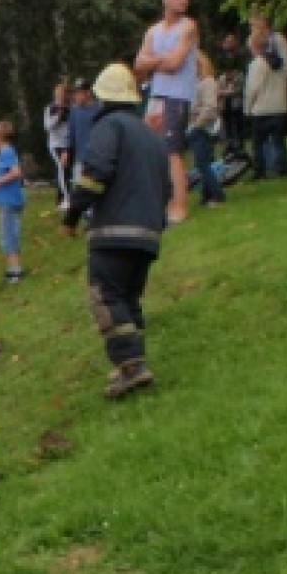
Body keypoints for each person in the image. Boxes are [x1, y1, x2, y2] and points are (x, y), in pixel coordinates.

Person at [60, 64, 172, 400]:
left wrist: (72, 214)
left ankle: (131, 367)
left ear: (102, 97)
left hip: (114, 231)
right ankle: (133, 362)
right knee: (128, 298)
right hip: (148, 233)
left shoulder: (108, 127)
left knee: (106, 296)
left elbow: (95, 175)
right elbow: (164, 186)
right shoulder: (150, 136)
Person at [134, 0, 199, 223]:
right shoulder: (153, 31)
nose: (184, 0)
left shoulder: (188, 27)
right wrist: (162, 60)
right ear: (166, 1)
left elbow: (176, 63)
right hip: (157, 95)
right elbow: (139, 65)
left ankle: (179, 207)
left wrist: (154, 61)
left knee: (173, 151)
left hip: (178, 95)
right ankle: (158, 202)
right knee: (151, 149)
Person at [243, 13, 287, 179]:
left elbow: (252, 88)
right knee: (278, 139)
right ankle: (280, 167)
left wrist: (248, 107)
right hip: (278, 103)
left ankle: (262, 170)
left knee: (259, 142)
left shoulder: (273, 44)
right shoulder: (273, 60)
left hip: (263, 105)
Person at [0, 120, 27, 282]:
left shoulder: (7, 151)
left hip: (10, 200)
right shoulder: (5, 153)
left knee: (9, 234)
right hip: (5, 199)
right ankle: (11, 268)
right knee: (6, 233)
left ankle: (16, 271)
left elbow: (16, 173)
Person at [187, 51, 227, 208]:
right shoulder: (197, 83)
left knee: (202, 162)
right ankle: (207, 193)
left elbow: (210, 107)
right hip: (198, 124)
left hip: (203, 126)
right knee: (204, 162)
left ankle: (217, 194)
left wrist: (197, 124)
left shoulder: (208, 82)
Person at [66, 79, 99, 205]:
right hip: (80, 156)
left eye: (79, 93)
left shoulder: (98, 109)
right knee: (79, 184)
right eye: (75, 93)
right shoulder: (74, 111)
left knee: (93, 185)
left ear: (88, 93)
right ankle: (82, 210)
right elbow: (71, 133)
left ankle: (93, 208)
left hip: (95, 156)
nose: (76, 97)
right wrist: (67, 151)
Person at [43, 82, 74, 201]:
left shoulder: (72, 108)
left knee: (67, 170)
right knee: (62, 168)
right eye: (60, 95)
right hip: (56, 144)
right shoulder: (50, 108)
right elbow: (47, 126)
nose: (62, 98)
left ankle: (61, 196)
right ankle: (67, 198)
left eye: (64, 95)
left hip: (68, 143)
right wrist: (58, 116)